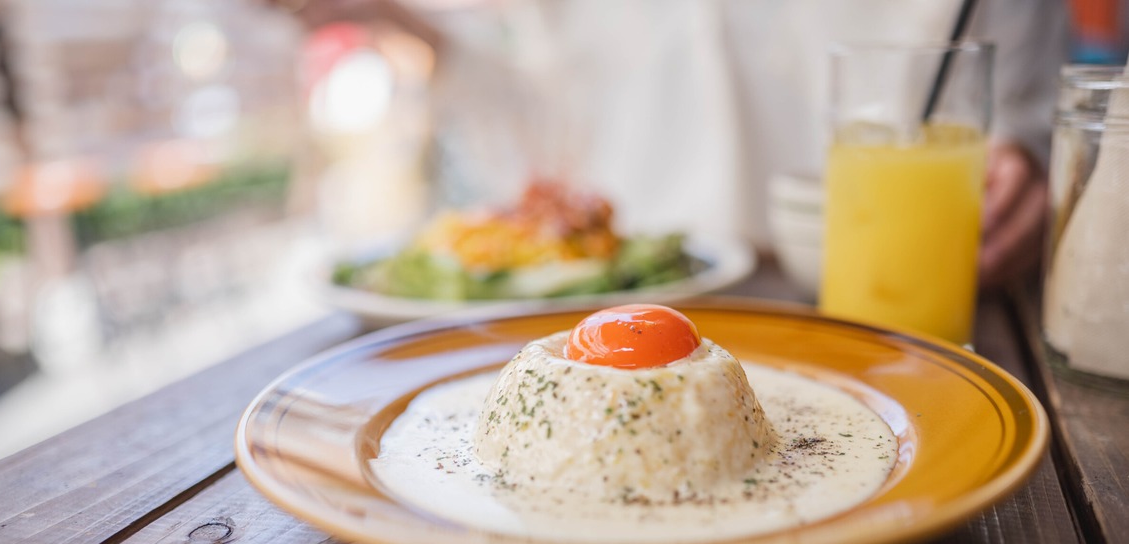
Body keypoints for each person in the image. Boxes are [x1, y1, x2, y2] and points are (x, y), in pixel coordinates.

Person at [266, 0, 1068, 290]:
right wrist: (398, 26)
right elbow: (546, 136)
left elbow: (1032, 114)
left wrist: (1030, 167)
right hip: (635, 294)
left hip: (884, 300)